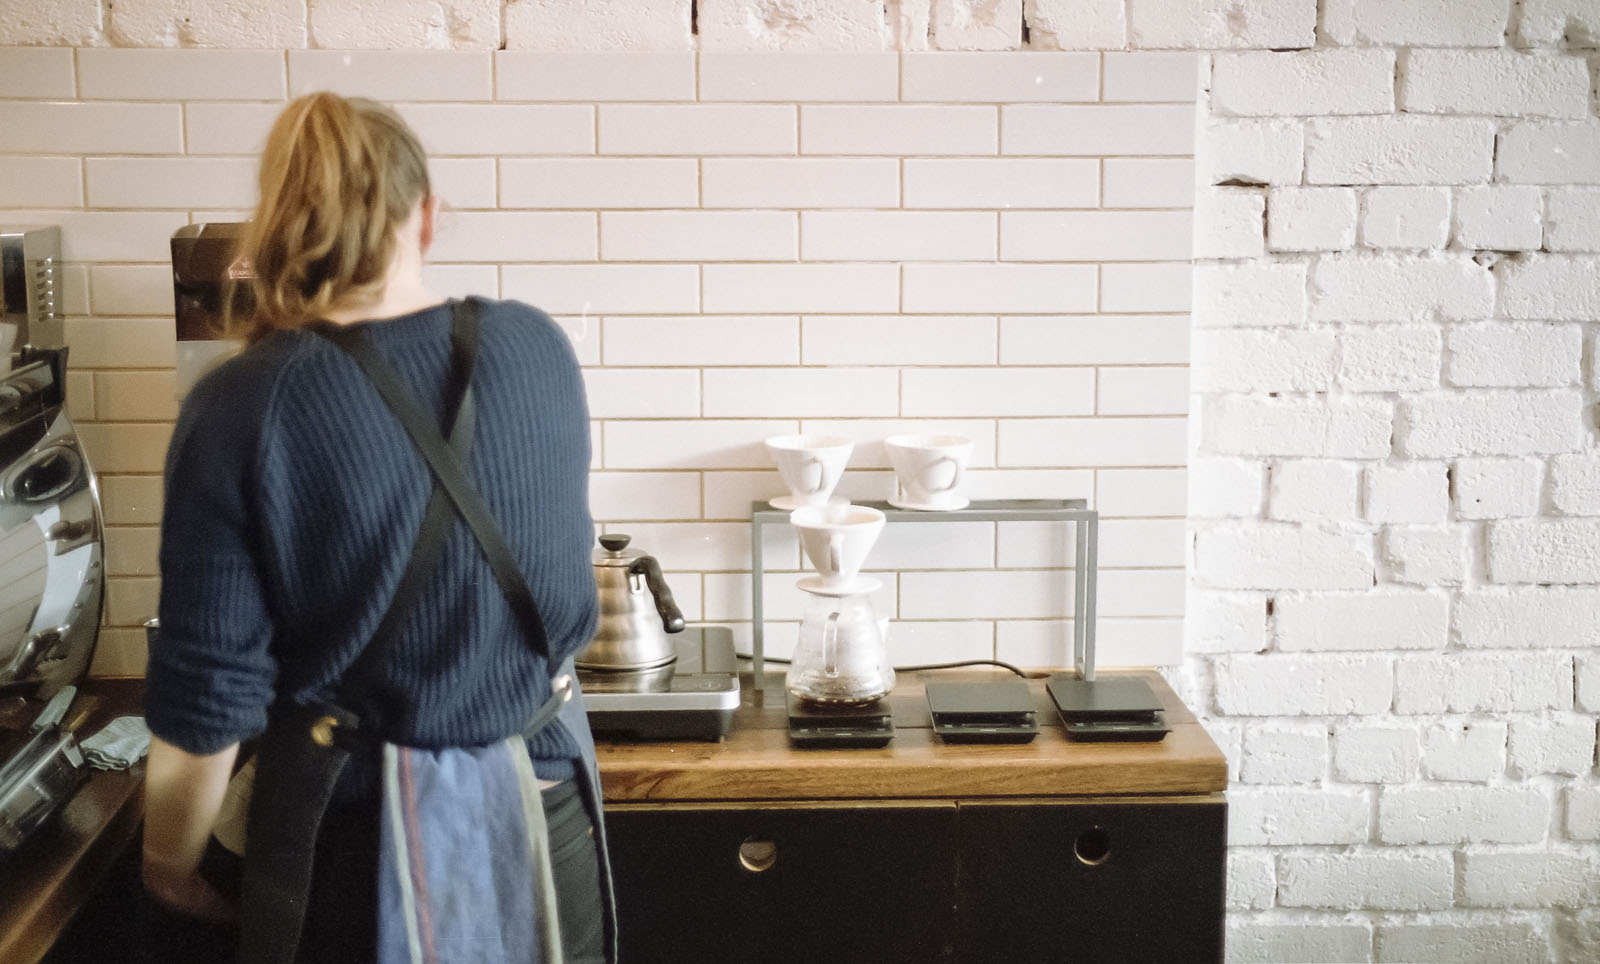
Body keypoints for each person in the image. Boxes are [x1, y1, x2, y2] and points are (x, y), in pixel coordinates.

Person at [141, 92, 611, 964]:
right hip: (544, 810)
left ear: (271, 233)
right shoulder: (536, 346)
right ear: (425, 220)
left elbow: (210, 701)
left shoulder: (240, 406)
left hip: (355, 850)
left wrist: (168, 865)